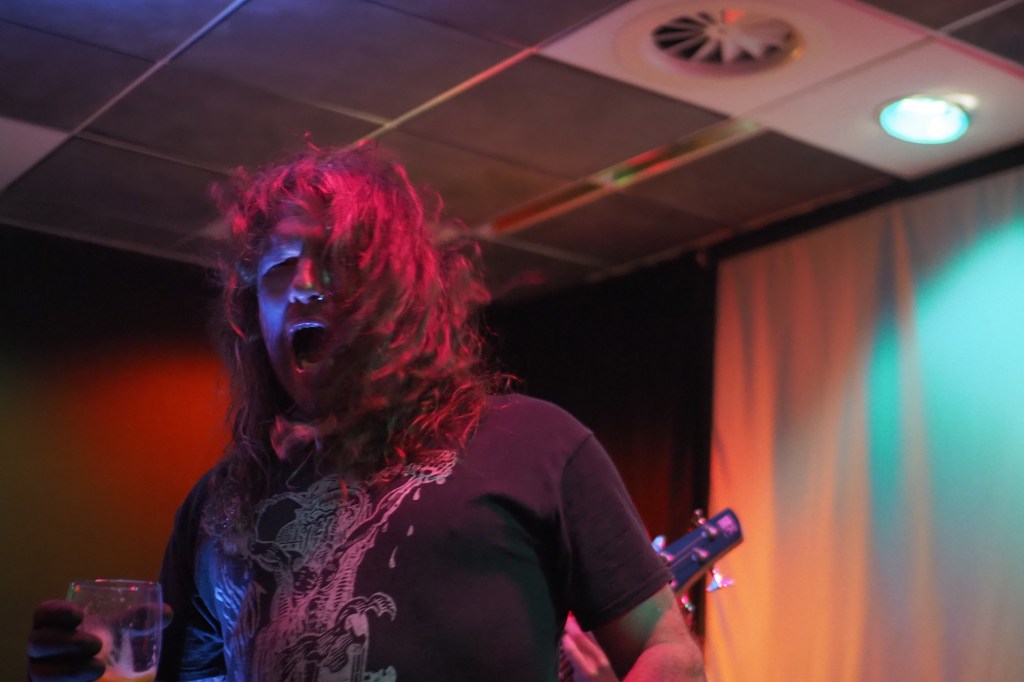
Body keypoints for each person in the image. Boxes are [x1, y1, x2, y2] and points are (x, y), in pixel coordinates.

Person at [27, 143, 705, 681]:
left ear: (397, 295)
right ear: (254, 317)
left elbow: (665, 647)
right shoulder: (220, 504)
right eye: (278, 271)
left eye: (337, 260)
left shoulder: (535, 444)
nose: (305, 287)